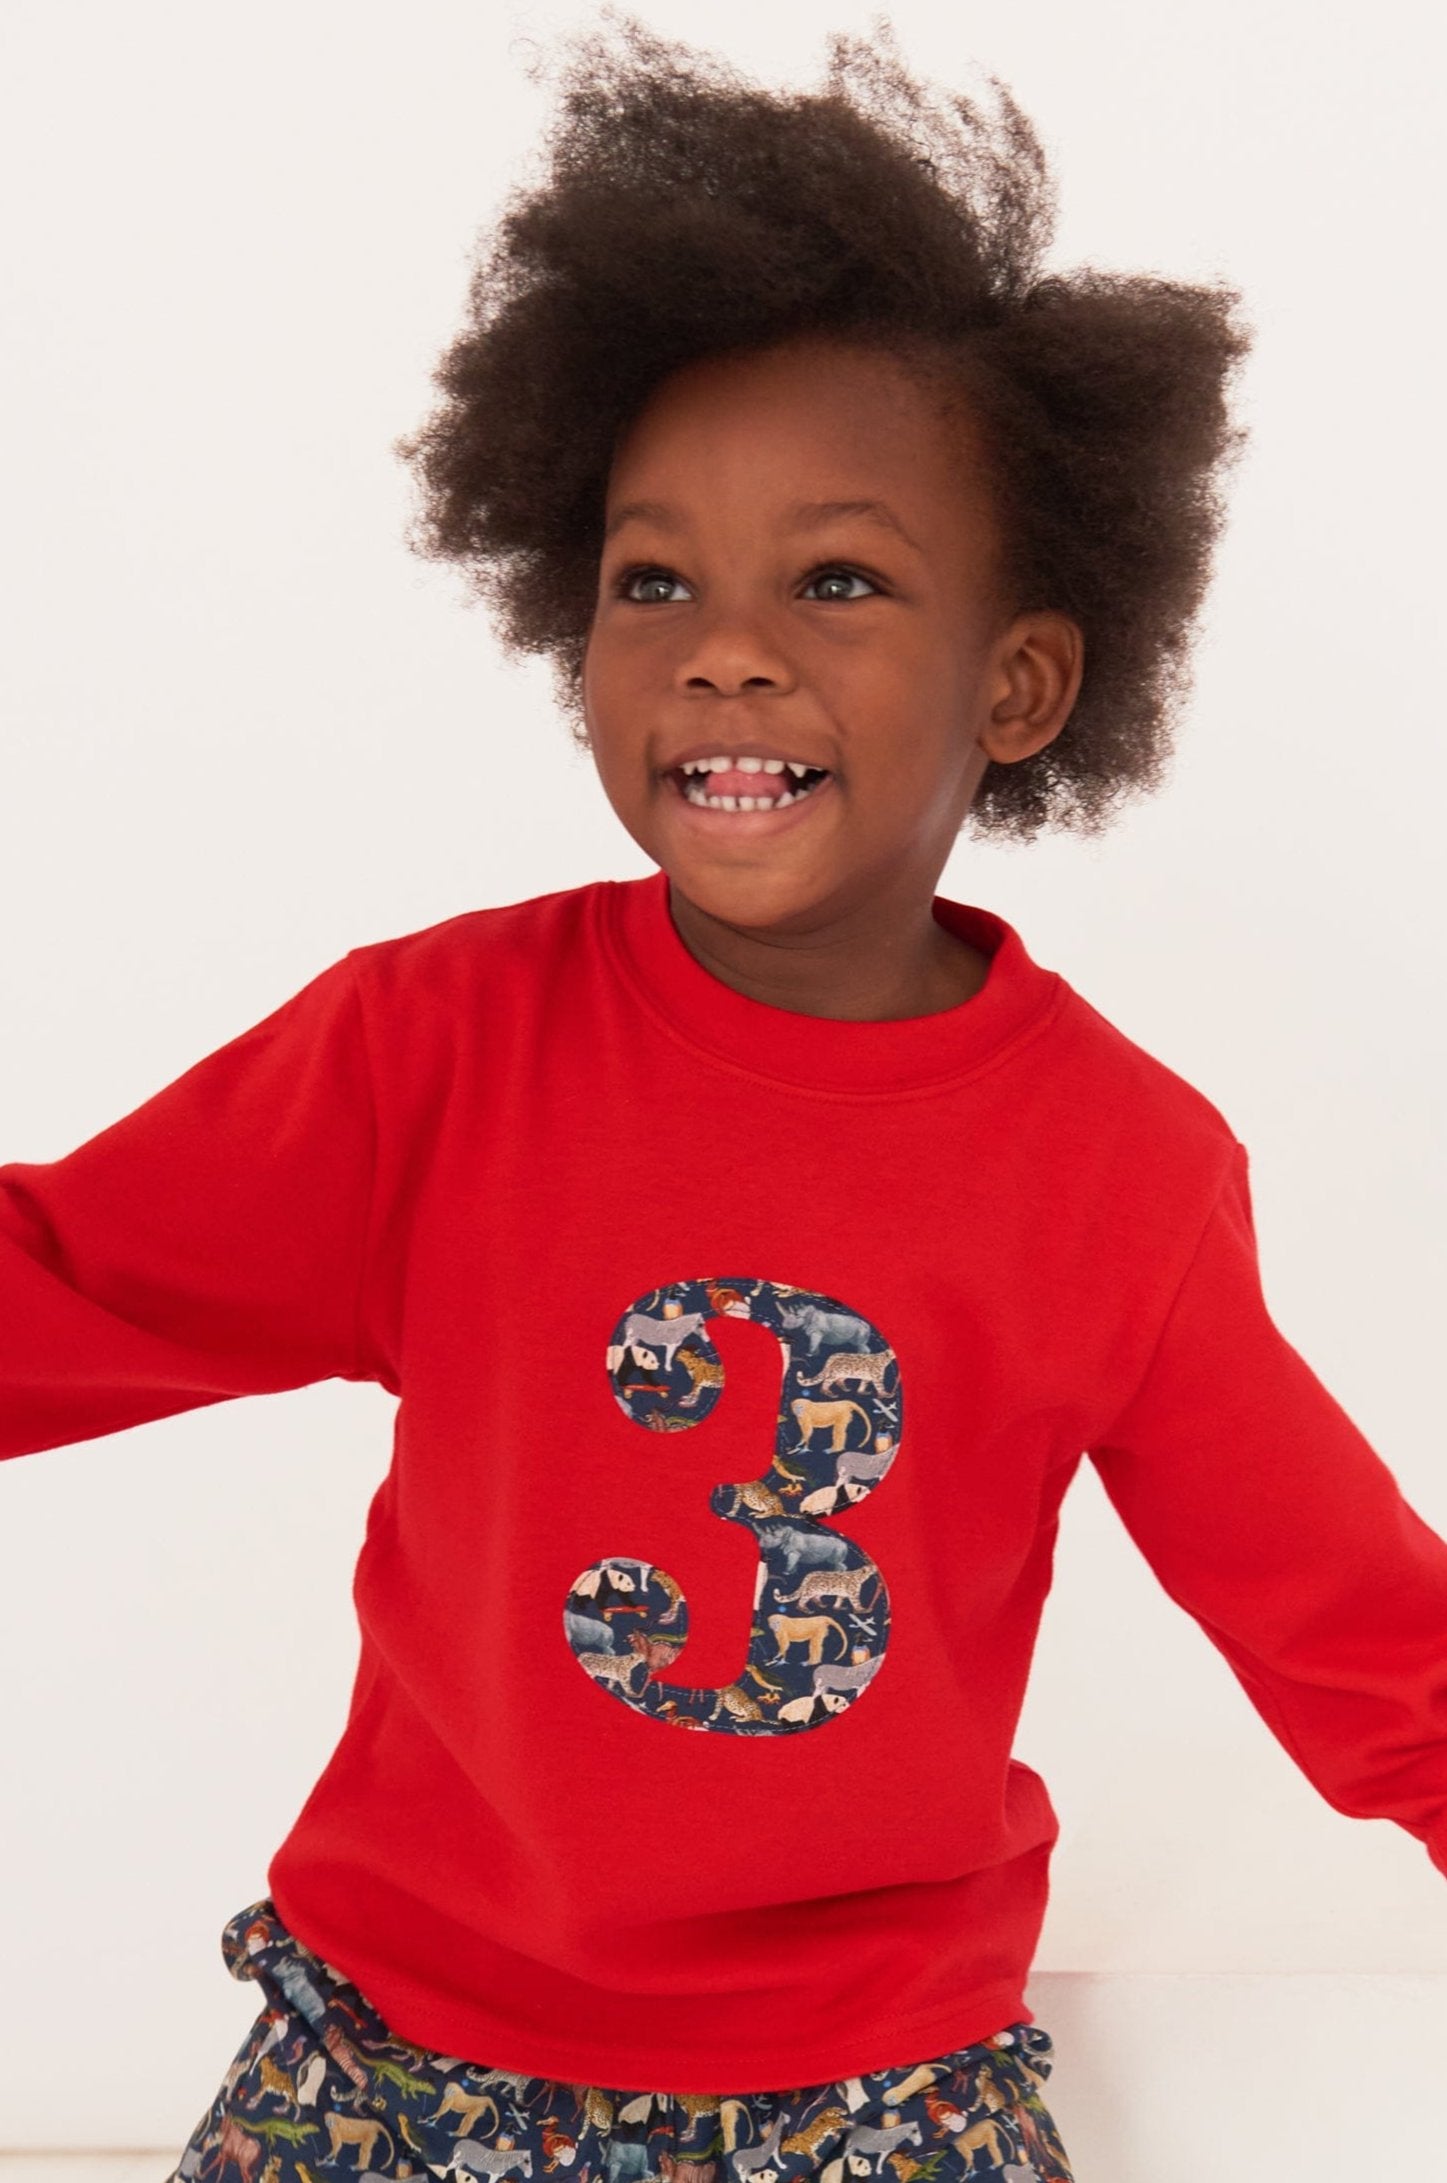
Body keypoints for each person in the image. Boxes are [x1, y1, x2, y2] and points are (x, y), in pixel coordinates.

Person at [4, 16, 1444, 2182]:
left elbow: (1356, 1628)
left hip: (870, 2085)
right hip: (396, 2046)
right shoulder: (437, 1049)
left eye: (837, 582)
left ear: (1022, 681)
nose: (725, 650)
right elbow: (63, 1287)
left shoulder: (1118, 1173)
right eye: (653, 579)